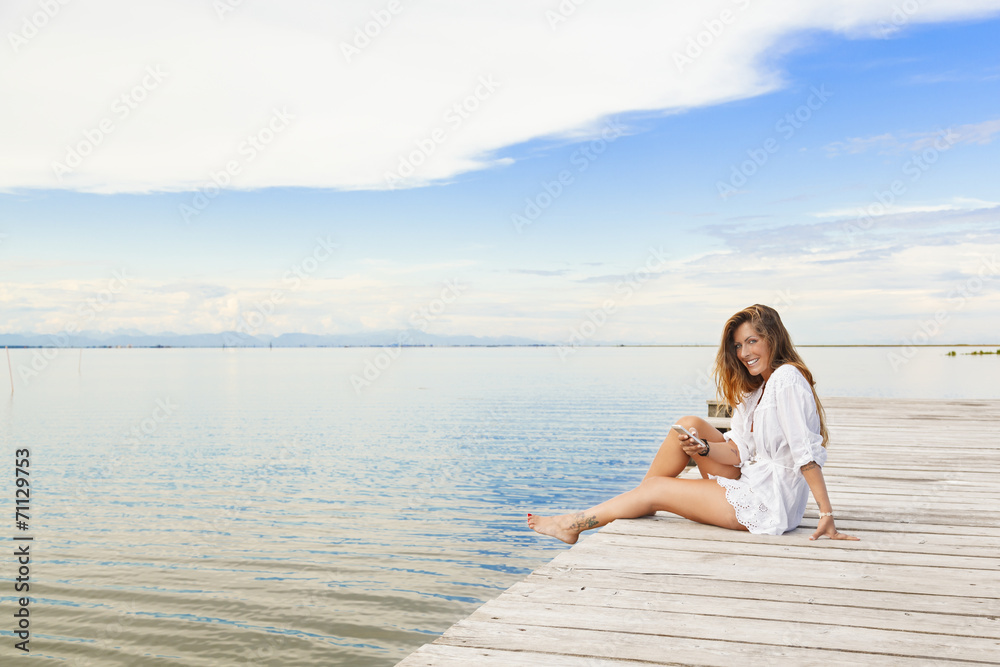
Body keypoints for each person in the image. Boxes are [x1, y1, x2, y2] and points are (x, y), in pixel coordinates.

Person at [527, 304, 858, 544]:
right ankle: (642, 500)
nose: (744, 353)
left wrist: (826, 515)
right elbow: (737, 450)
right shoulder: (757, 390)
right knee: (687, 425)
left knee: (656, 488)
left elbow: (805, 452)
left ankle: (575, 523)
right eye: (739, 346)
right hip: (752, 477)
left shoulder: (786, 379)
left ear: (773, 338)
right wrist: (701, 448)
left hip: (769, 503)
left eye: (753, 341)